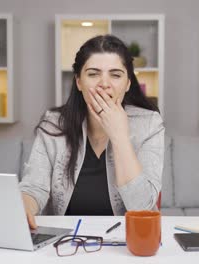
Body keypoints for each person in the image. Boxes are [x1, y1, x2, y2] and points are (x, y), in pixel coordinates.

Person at [19, 35, 164, 228]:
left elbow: (143, 209)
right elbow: (34, 187)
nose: (104, 84)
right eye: (93, 74)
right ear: (79, 82)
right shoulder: (53, 124)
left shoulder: (150, 125)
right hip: (66, 243)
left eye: (115, 74)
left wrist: (119, 135)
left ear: (128, 83)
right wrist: (23, 208)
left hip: (123, 245)